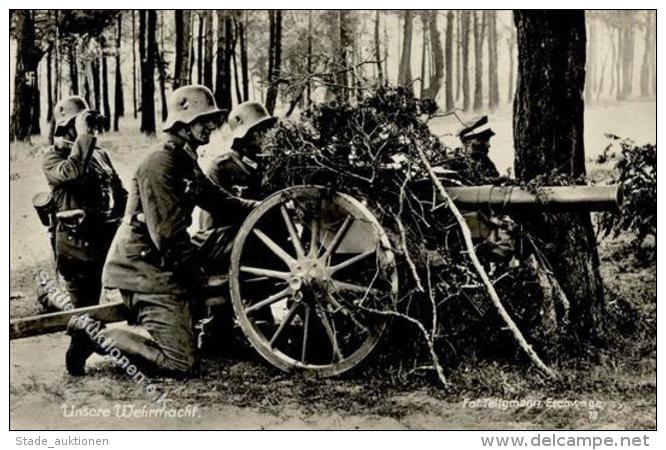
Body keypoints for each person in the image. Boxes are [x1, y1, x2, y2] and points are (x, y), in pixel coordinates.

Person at [64, 85, 256, 378]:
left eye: (213, 120)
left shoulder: (183, 159)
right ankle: (92, 333)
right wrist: (199, 282)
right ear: (183, 122)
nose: (212, 127)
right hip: (144, 268)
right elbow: (167, 238)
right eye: (204, 120)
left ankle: (215, 330)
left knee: (239, 236)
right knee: (182, 363)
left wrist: (268, 207)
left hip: (166, 256)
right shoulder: (160, 162)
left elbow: (222, 203)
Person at [42, 96, 127, 308]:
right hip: (76, 246)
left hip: (103, 239)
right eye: (82, 122)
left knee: (103, 312)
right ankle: (49, 298)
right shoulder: (53, 157)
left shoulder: (99, 154)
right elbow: (72, 173)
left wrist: (123, 222)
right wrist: (84, 136)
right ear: (67, 126)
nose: (90, 127)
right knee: (85, 317)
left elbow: (119, 191)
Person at [198, 101, 277, 231]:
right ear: (245, 136)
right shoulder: (220, 168)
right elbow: (209, 222)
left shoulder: (267, 164)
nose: (266, 135)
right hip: (235, 240)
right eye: (259, 130)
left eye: (267, 128)